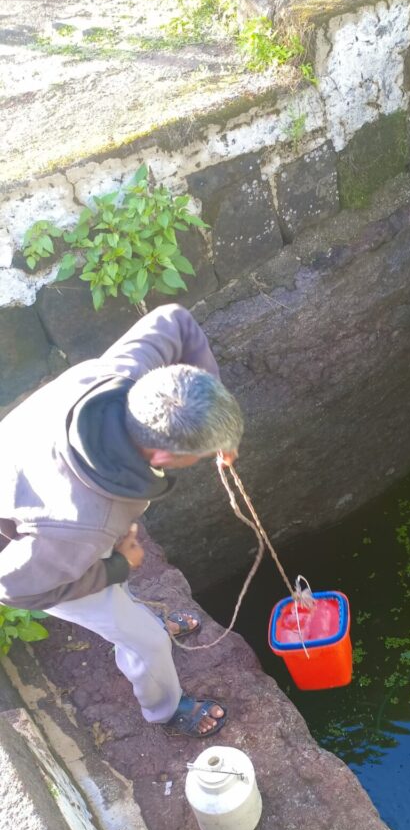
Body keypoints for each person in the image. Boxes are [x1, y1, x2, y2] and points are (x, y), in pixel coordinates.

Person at [0, 304, 244, 738]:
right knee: (144, 641)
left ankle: (140, 615)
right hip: (24, 551)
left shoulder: (126, 375)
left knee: (117, 574)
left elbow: (174, 319)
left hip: (23, 472)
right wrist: (117, 566)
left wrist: (217, 433)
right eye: (202, 454)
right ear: (165, 457)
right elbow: (15, 588)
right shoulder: (83, 525)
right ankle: (166, 709)